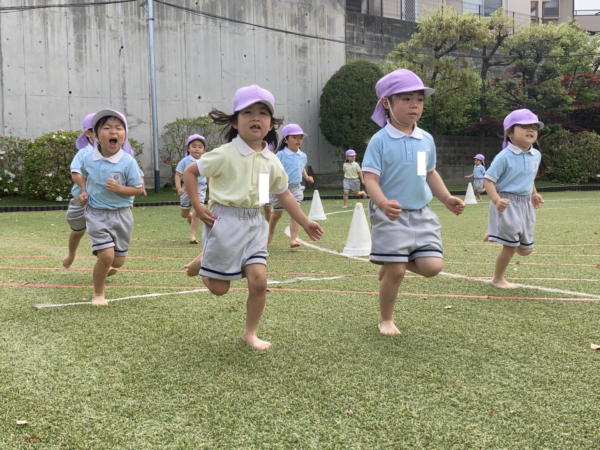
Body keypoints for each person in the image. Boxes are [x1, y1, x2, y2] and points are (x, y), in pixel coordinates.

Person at [182, 85, 323, 350]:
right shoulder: (224, 153)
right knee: (219, 289)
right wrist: (198, 207)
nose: (256, 117)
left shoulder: (271, 160)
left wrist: (304, 221)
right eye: (248, 112)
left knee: (259, 281)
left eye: (263, 113)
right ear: (235, 122)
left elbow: (284, 194)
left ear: (271, 124)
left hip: (255, 224)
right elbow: (190, 172)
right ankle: (204, 261)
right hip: (224, 222)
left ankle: (250, 333)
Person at [362, 69, 465, 335]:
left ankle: (390, 261)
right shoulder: (380, 141)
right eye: (406, 99)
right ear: (386, 103)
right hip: (390, 215)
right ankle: (386, 318)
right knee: (396, 272)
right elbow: (370, 178)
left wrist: (446, 198)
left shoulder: (425, 139)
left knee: (432, 267)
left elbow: (427, 173)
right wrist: (383, 203)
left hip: (421, 213)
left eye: (419, 99)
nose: (414, 105)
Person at [78, 109, 144, 306]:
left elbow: (137, 189)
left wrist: (119, 189)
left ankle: (104, 267)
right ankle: (98, 294)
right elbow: (84, 176)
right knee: (106, 256)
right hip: (96, 213)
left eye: (119, 128)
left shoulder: (128, 162)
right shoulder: (88, 159)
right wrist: (84, 192)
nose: (113, 131)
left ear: (124, 135)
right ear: (96, 136)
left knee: (117, 261)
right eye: (107, 128)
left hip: (122, 215)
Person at [483, 109, 545, 289]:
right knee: (510, 246)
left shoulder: (536, 155)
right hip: (506, 203)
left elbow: (529, 178)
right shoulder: (504, 157)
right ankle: (497, 279)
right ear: (509, 132)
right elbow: (488, 180)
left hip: (525, 204)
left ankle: (498, 231)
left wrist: (534, 194)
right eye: (524, 126)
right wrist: (496, 201)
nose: (530, 129)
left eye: (534, 127)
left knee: (526, 250)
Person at [267, 123, 314, 248]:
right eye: (294, 137)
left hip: (296, 188)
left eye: (300, 138)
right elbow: (273, 169)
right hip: (281, 189)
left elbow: (301, 167)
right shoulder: (280, 155)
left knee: (295, 213)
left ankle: (293, 239)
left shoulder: (303, 156)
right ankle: (269, 233)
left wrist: (306, 177)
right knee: (277, 214)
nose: (298, 140)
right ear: (285, 140)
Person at [175, 134, 209, 244]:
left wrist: (211, 187)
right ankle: (189, 215)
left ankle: (193, 236)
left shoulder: (206, 160)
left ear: (204, 150)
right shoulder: (185, 161)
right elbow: (178, 175)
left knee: (197, 210)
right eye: (194, 146)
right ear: (188, 148)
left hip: (201, 187)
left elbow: (209, 175)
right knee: (184, 214)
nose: (197, 149)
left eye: (200, 147)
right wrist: (179, 188)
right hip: (187, 187)